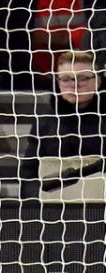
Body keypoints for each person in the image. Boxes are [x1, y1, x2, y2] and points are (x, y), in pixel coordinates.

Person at [21, 51, 106, 198]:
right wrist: (37, 204)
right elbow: (29, 174)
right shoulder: (44, 123)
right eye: (66, 79)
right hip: (52, 210)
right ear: (58, 82)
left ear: (98, 81)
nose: (74, 85)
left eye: (83, 78)